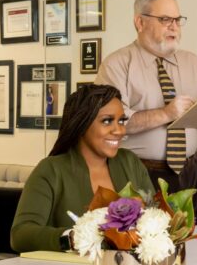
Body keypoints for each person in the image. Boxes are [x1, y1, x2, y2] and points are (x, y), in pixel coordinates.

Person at [95, 0, 197, 225]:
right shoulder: (116, 65)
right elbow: (110, 123)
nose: (174, 26)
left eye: (177, 20)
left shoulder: (193, 62)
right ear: (140, 22)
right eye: (165, 19)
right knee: (153, 250)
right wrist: (166, 113)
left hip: (192, 171)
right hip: (141, 174)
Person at [11, 84, 154, 252]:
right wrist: (72, 238)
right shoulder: (51, 170)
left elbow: (155, 216)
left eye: (121, 120)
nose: (119, 130)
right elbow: (20, 235)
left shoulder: (130, 162)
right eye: (107, 121)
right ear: (81, 124)